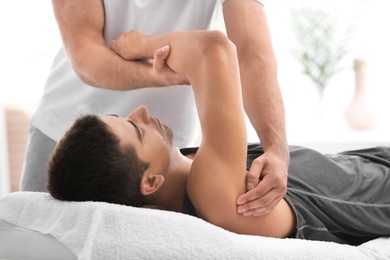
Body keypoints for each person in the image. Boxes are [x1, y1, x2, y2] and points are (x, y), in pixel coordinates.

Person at [47, 30, 390, 246]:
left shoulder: (193, 166)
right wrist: (145, 45)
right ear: (150, 182)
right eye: (137, 130)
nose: (139, 110)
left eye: (124, 116)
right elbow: (214, 49)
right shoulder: (212, 196)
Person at [21, 0, 289, 217]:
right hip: (65, 135)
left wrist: (275, 147)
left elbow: (252, 55)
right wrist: (155, 73)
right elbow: (85, 54)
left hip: (163, 152)